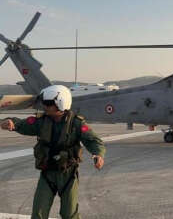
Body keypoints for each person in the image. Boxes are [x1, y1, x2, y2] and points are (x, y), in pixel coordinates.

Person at [0, 85, 106, 219]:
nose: (45, 106)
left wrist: (98, 154)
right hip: (47, 172)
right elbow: (23, 124)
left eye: (49, 103)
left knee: (69, 214)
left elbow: (94, 140)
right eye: (44, 102)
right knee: (38, 213)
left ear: (61, 103)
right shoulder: (42, 121)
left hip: (68, 174)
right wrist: (10, 123)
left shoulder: (76, 124)